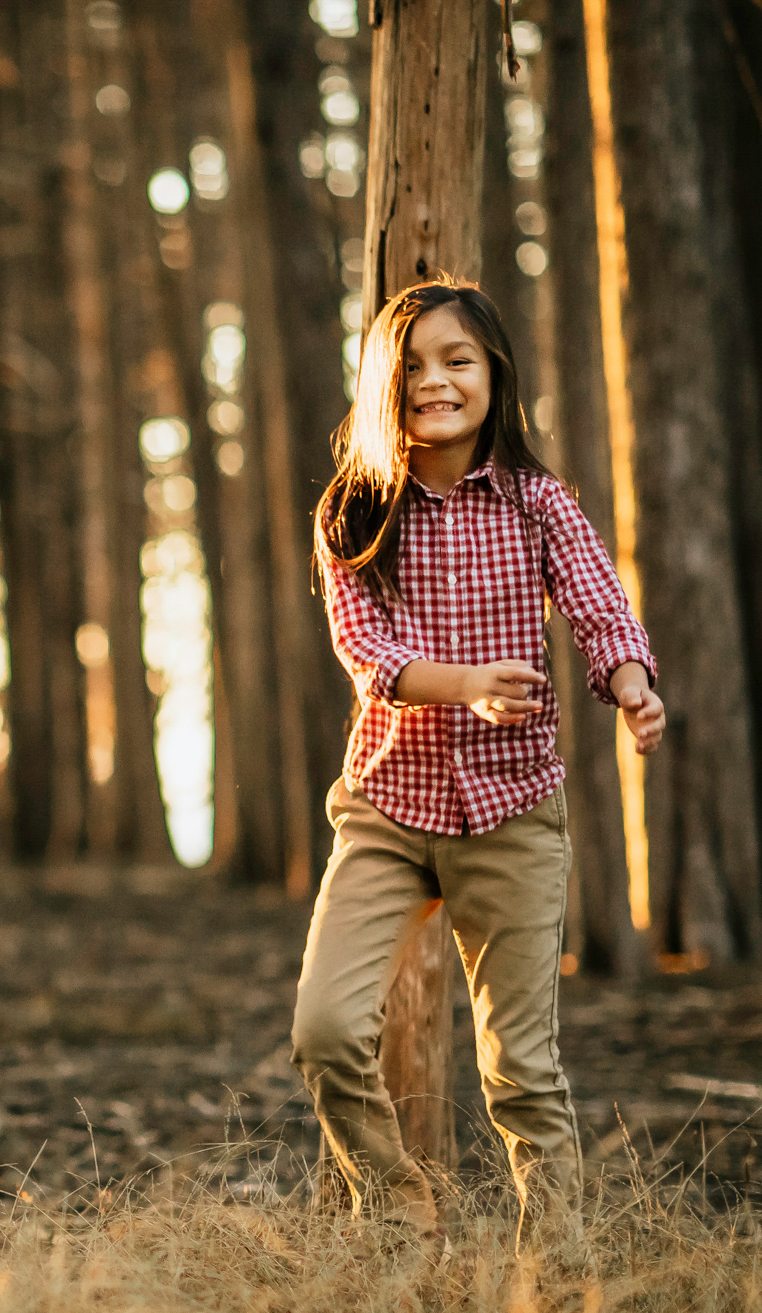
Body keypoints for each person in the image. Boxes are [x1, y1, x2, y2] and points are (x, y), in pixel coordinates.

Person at [292, 279, 664, 1248]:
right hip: (388, 808)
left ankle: (559, 1269)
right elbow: (366, 654)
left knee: (521, 1071)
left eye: (457, 361)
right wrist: (463, 686)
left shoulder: (540, 505)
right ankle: (399, 1205)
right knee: (325, 1032)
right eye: (412, 367)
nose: (435, 383)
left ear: (494, 374)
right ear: (383, 384)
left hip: (512, 813)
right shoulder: (354, 513)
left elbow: (598, 603)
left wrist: (630, 682)